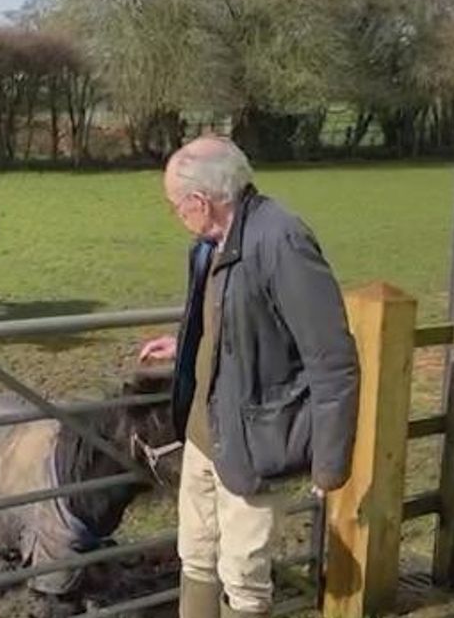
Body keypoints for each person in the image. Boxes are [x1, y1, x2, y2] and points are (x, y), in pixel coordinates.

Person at [138, 135, 360, 618]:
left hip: (254, 440)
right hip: (203, 431)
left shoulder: (281, 241)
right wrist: (186, 344)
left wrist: (330, 464)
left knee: (243, 575)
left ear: (201, 201)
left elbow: (332, 358)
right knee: (196, 554)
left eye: (176, 205)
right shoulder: (210, 245)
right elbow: (239, 316)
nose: (175, 215)